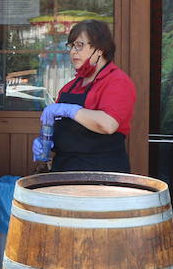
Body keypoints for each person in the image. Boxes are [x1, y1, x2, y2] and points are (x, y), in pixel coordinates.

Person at [32, 20, 136, 173]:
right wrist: (46, 142)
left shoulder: (117, 81)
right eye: (71, 46)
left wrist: (70, 110)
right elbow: (63, 129)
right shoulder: (70, 87)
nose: (73, 51)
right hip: (64, 171)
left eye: (79, 45)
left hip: (102, 175)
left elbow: (108, 124)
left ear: (100, 49)